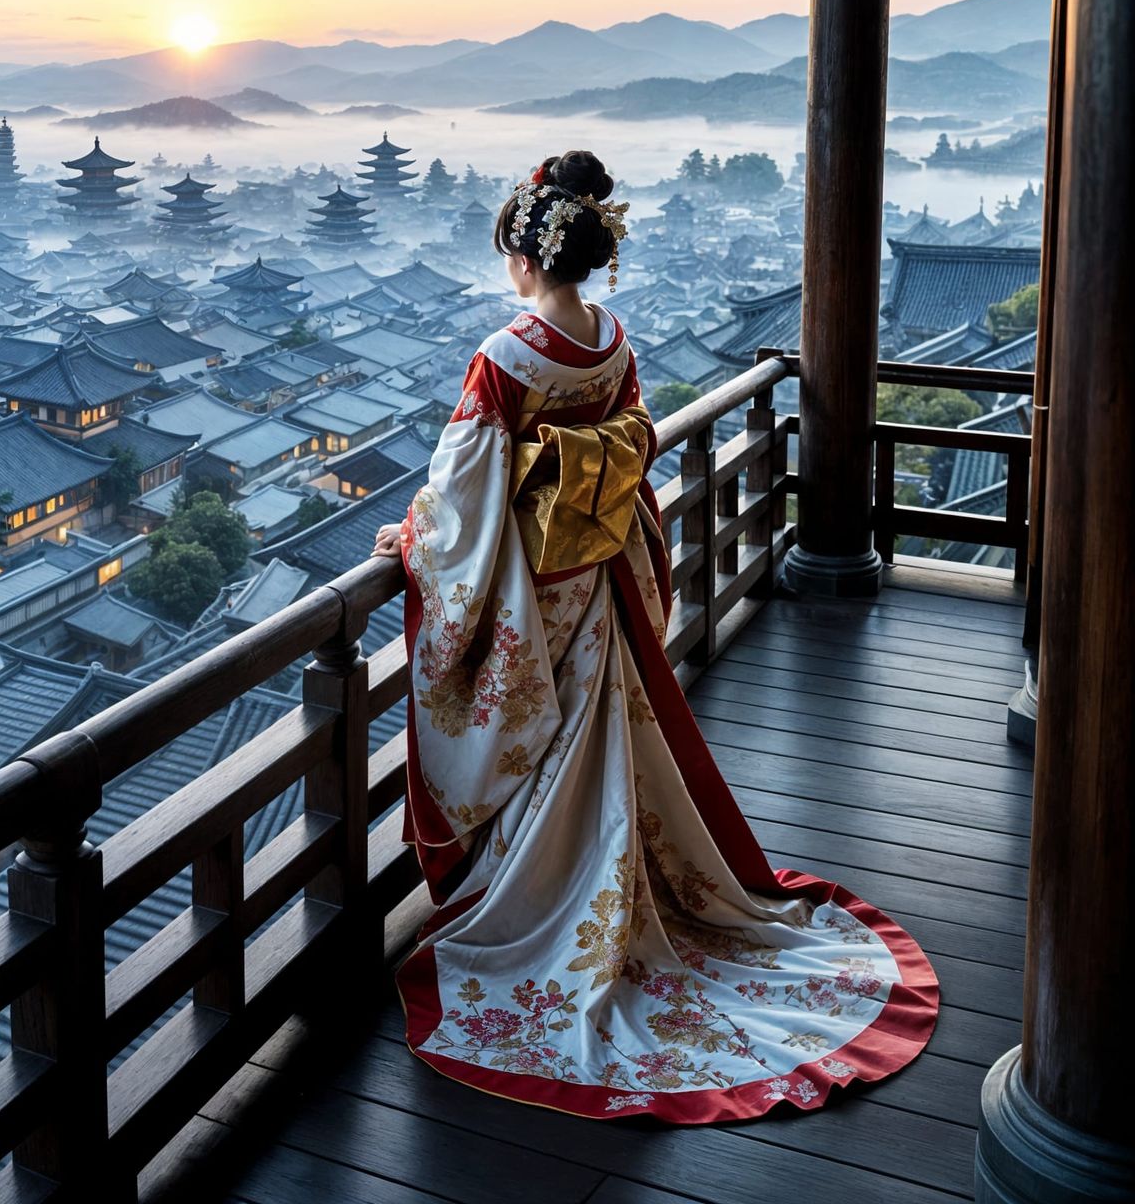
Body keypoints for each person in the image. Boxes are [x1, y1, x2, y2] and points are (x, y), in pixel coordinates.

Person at [371, 150, 938, 1123]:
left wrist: (414, 538)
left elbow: (464, 492)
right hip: (591, 578)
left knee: (541, 748)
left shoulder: (505, 358)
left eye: (509, 252)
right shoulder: (611, 339)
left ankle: (548, 903)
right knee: (604, 739)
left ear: (524, 254)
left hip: (523, 592)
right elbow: (634, 442)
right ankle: (617, 886)